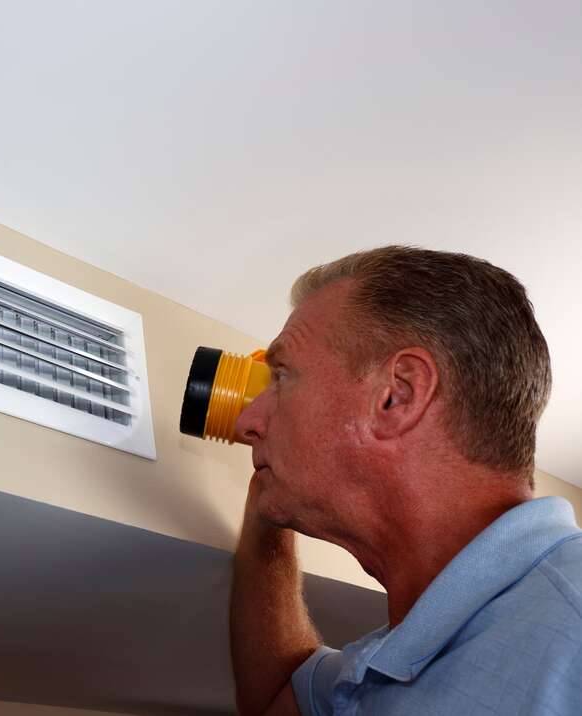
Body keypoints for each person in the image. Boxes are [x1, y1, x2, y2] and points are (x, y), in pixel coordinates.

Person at [228, 246, 581, 715]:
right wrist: (269, 487)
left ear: (397, 396)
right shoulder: (383, 664)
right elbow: (274, 698)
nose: (245, 421)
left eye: (282, 375)